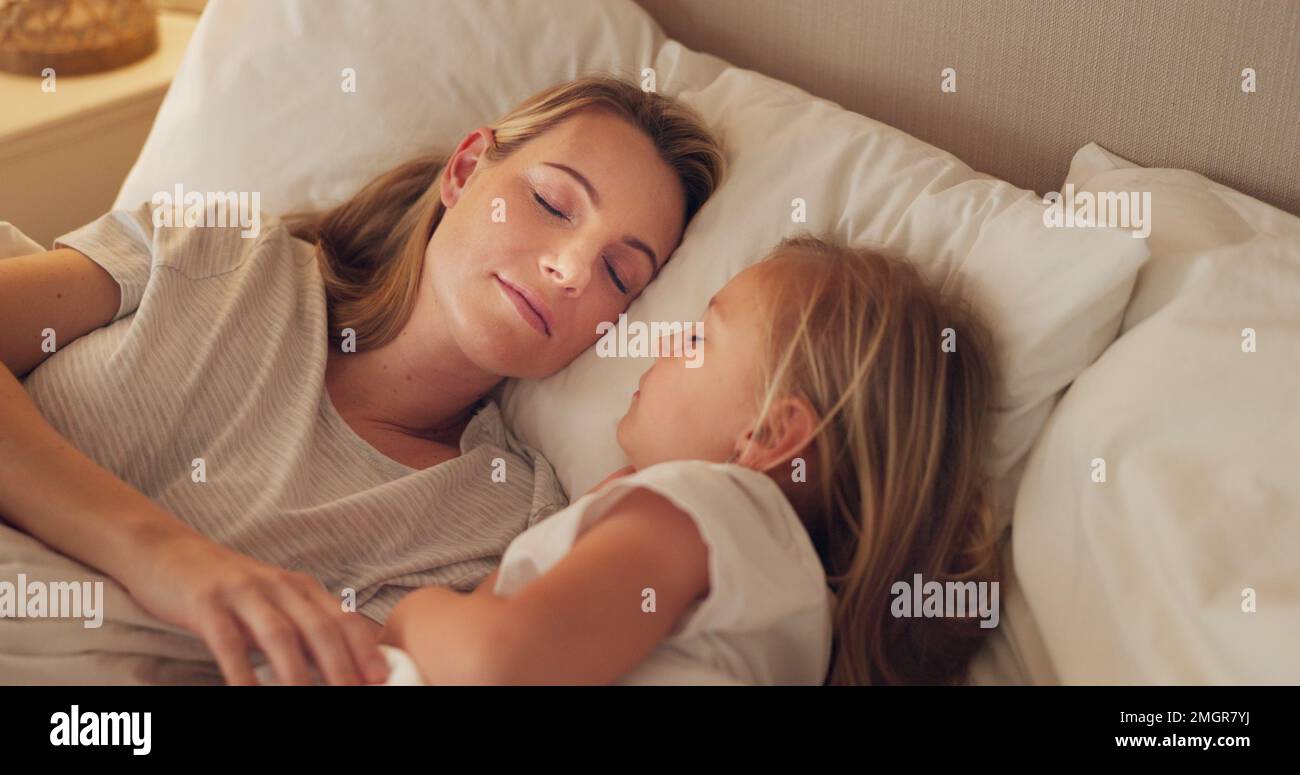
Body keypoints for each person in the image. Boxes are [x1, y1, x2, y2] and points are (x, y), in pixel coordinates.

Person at [0, 75, 724, 686]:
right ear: (467, 170)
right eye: (554, 204)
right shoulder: (220, 254)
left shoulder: (505, 526)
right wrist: (165, 556)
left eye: (619, 274)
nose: (570, 269)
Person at [382, 235, 1004, 685]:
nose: (668, 342)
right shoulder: (799, 613)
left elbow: (493, 664)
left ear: (768, 434)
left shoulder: (703, 508)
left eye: (700, 338)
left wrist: (412, 615)